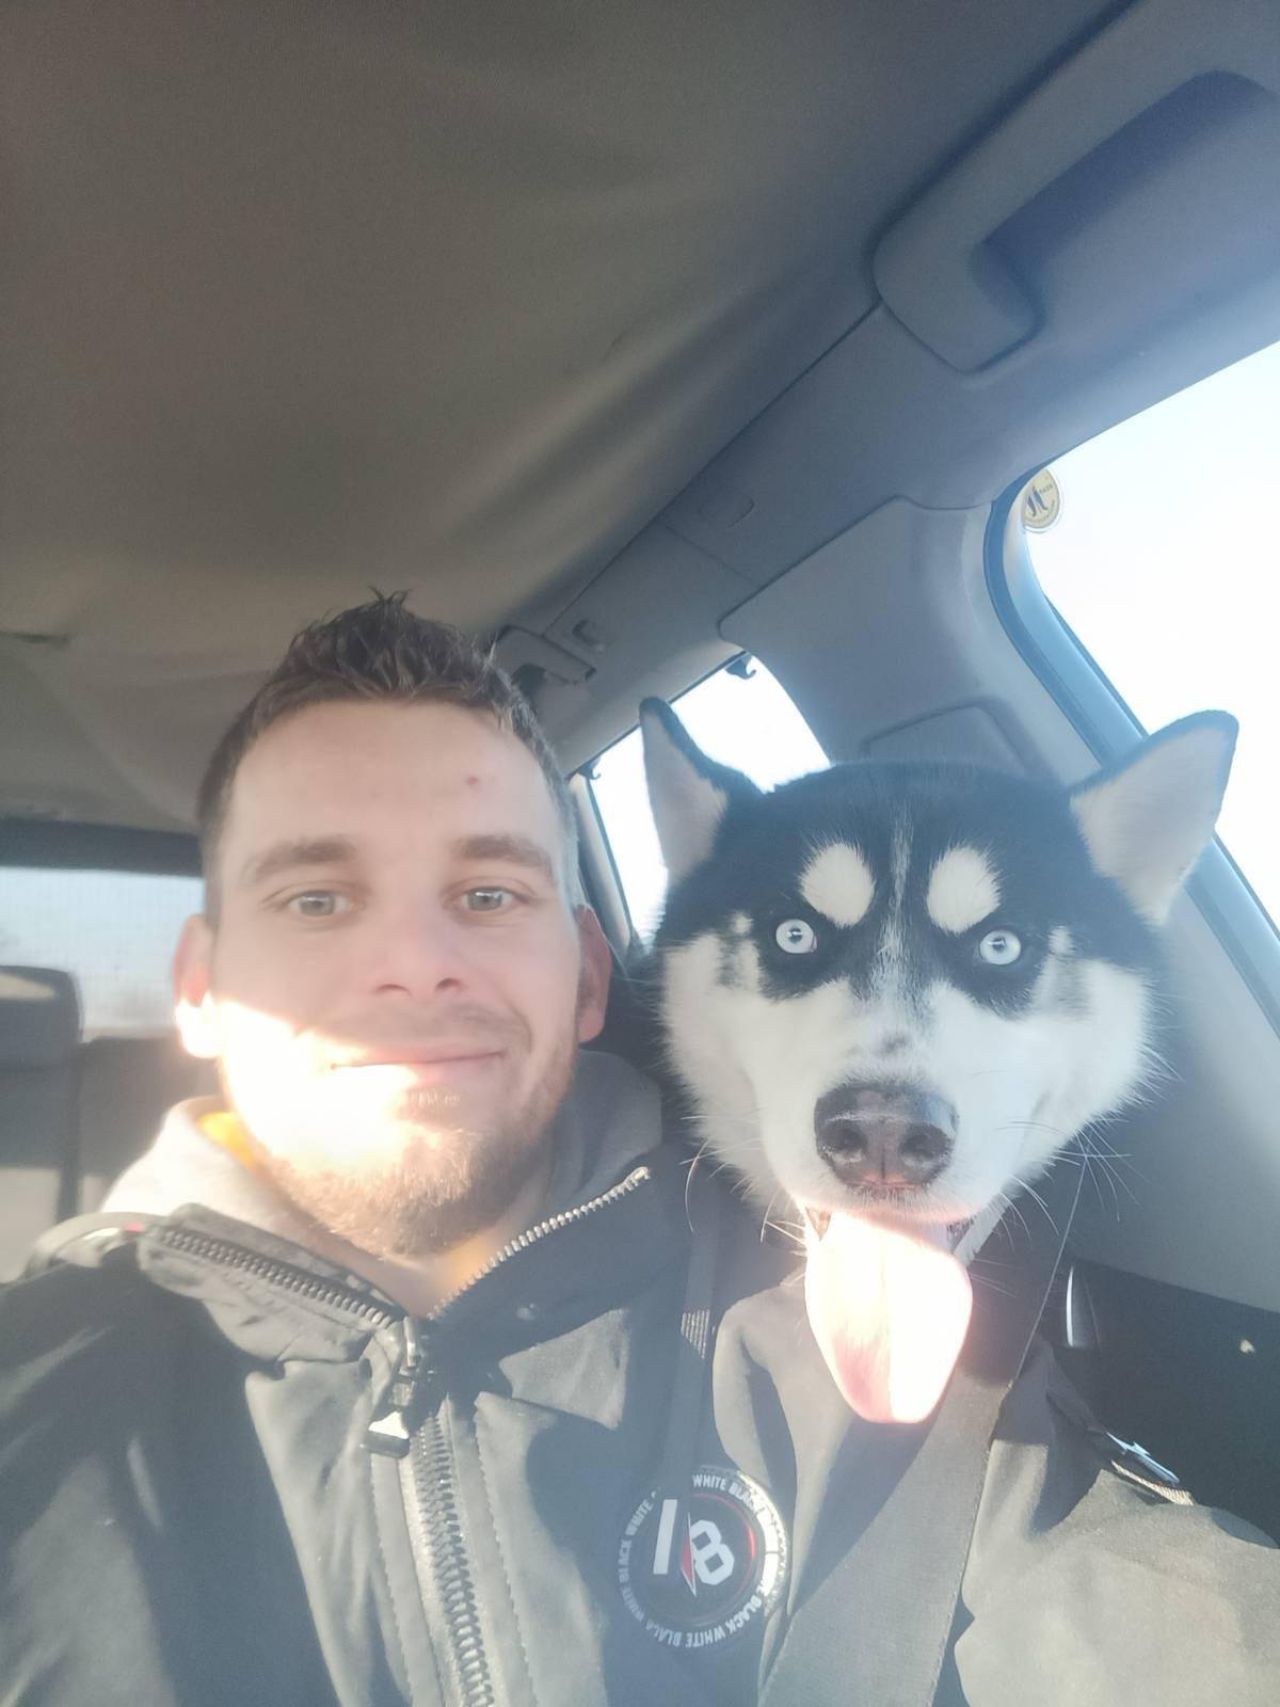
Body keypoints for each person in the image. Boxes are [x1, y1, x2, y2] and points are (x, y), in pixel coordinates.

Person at [2, 595, 1278, 1707]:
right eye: (316, 898)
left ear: (590, 975)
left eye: (488, 893)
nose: (412, 965)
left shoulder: (834, 1333)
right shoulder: (37, 1398)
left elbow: (1117, 1594)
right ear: (203, 987)